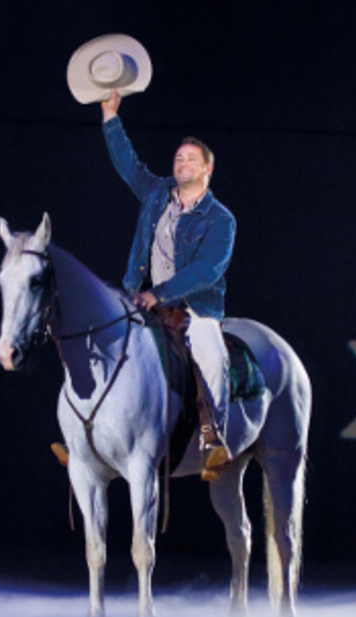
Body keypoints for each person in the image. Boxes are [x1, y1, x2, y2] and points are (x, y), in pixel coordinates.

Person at [101, 89, 233, 480]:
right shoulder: (157, 193)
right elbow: (128, 164)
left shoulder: (220, 219)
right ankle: (88, 436)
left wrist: (160, 292)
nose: (182, 163)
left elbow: (207, 270)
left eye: (191, 159)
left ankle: (213, 436)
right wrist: (110, 116)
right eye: (178, 158)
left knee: (209, 351)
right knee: (99, 336)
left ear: (207, 169)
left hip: (194, 307)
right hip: (140, 296)